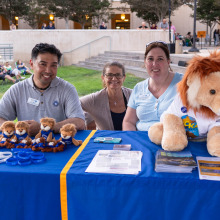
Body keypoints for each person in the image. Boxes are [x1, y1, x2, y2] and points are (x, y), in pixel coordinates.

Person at [0, 43, 85, 136]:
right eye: (43, 64)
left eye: (53, 65)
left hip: (59, 145)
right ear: (32, 64)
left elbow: (79, 122)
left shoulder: (67, 89)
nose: (48, 70)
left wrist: (44, 127)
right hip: (25, 146)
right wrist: (20, 128)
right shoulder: (16, 90)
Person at [123, 41, 183, 131]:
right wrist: (134, 141)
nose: (154, 64)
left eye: (160, 59)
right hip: (142, 140)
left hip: (173, 140)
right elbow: (128, 122)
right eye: (150, 59)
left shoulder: (183, 83)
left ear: (168, 61)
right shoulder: (139, 88)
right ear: (145, 62)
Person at [80, 62, 132, 130]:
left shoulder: (133, 95)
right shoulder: (95, 99)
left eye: (118, 75)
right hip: (106, 140)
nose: (114, 79)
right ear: (103, 78)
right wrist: (89, 118)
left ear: (124, 77)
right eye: (109, 75)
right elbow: (75, 103)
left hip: (130, 139)